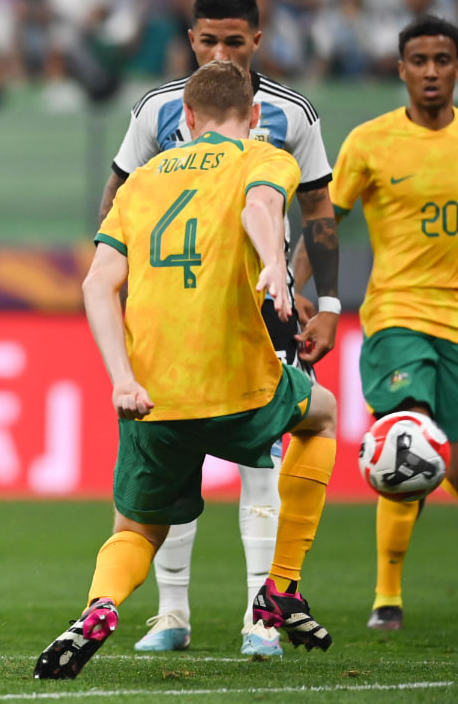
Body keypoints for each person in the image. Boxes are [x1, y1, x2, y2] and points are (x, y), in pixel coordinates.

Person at [34, 60, 337, 680]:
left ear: (186, 118)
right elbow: (260, 209)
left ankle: (101, 606)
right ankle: (280, 586)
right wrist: (274, 264)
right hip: (241, 387)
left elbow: (97, 284)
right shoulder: (264, 157)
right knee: (323, 416)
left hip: (153, 396)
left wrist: (121, 377)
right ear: (253, 117)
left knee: (136, 530)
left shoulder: (140, 183)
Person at [96, 0, 341, 657]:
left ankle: (258, 614)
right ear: (190, 40)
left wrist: (325, 304)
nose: (221, 51)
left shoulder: (290, 114)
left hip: (259, 307)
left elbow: (316, 212)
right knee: (179, 458)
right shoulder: (155, 110)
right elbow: (117, 198)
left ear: (256, 40)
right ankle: (171, 613)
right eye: (208, 40)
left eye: (234, 41)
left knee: (259, 455)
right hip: (176, 308)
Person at [312, 15, 458, 632]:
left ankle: (413, 474)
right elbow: (324, 220)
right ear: (400, 69)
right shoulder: (369, 142)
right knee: (408, 434)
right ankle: (386, 596)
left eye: (442, 60)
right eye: (419, 60)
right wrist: (312, 298)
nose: (431, 71)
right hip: (396, 315)